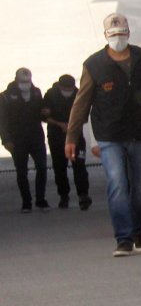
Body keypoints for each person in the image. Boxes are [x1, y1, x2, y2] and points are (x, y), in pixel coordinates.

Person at [66, 14, 141, 255]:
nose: (118, 38)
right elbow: (81, 102)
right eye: (113, 34)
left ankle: (137, 230)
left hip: (140, 132)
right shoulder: (94, 65)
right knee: (117, 184)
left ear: (128, 32)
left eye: (122, 33)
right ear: (105, 36)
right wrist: (72, 136)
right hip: (110, 135)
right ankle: (124, 238)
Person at [1, 67, 50, 212]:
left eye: (27, 81)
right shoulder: (5, 97)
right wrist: (5, 140)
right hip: (17, 139)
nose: (25, 84)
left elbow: (41, 115)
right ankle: (26, 201)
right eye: (22, 81)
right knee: (21, 171)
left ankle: (40, 199)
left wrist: (45, 113)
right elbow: (2, 121)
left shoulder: (36, 93)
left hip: (36, 137)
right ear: (16, 80)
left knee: (42, 168)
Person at [40, 73, 91, 210]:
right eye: (66, 89)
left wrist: (72, 125)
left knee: (79, 165)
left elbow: (85, 115)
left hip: (76, 136)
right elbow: (44, 117)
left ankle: (83, 195)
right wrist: (59, 124)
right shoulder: (51, 94)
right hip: (56, 135)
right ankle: (63, 196)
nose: (68, 91)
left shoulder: (78, 93)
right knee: (59, 167)